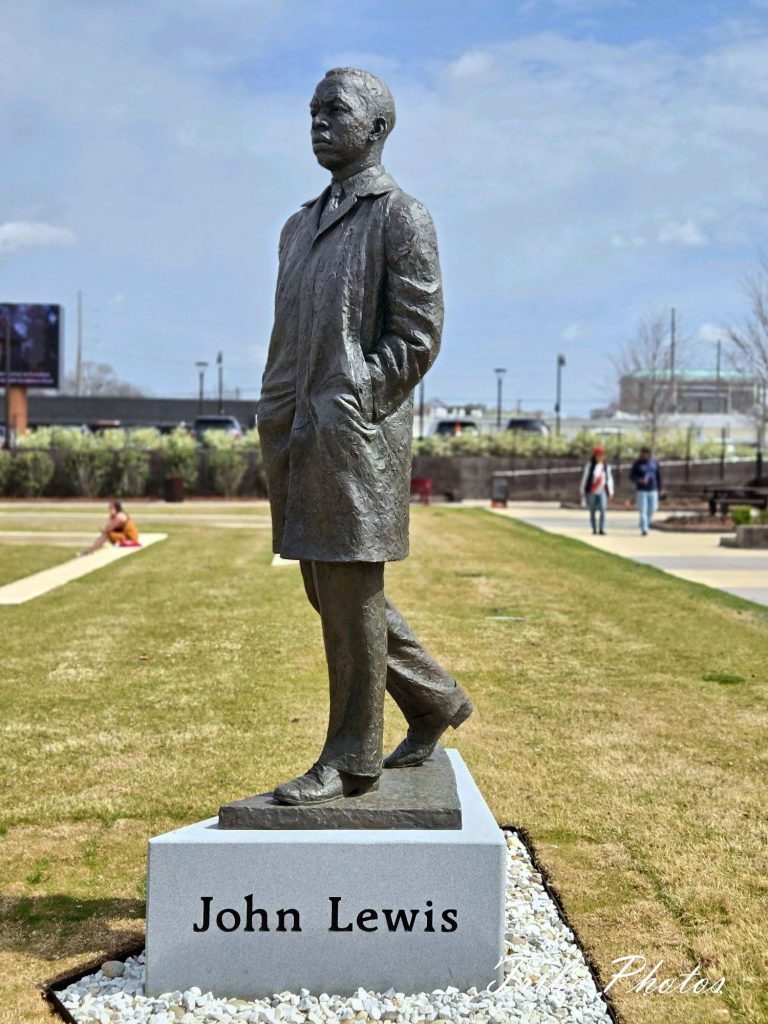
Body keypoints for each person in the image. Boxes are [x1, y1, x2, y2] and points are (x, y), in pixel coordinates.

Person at [257, 67, 473, 807]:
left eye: (335, 110)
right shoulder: (298, 226)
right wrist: (278, 409)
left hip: (354, 437)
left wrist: (357, 394)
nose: (317, 122)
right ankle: (434, 699)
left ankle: (351, 758)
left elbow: (418, 334)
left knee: (349, 591)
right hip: (296, 433)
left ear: (377, 128)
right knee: (331, 591)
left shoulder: (400, 217)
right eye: (312, 110)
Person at [580, 446, 614, 535]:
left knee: (603, 508)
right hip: (592, 491)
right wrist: (582, 489)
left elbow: (609, 479)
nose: (600, 457)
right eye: (598, 455)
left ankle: (601, 528)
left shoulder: (606, 467)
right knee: (592, 510)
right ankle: (594, 528)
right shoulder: (590, 466)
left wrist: (611, 491)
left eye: (602, 455)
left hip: (602, 491)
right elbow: (585, 478)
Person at [630, 446, 663, 535]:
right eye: (643, 453)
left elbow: (659, 476)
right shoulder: (637, 463)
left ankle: (644, 522)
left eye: (646, 453)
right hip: (642, 491)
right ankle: (644, 529)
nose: (644, 455)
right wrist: (639, 480)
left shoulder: (654, 462)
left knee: (653, 509)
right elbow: (631, 476)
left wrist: (660, 488)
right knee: (643, 510)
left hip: (653, 490)